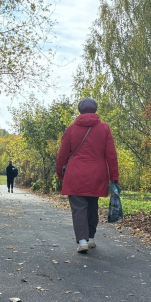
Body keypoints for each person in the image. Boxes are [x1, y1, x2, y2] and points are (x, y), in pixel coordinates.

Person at [55, 98, 119, 253]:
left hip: (75, 174)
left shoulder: (71, 129)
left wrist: (59, 173)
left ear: (80, 110)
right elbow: (111, 154)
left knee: (78, 208)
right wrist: (114, 177)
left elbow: (62, 155)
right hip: (97, 174)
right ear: (95, 109)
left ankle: (82, 240)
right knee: (92, 206)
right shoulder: (104, 128)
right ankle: (91, 238)